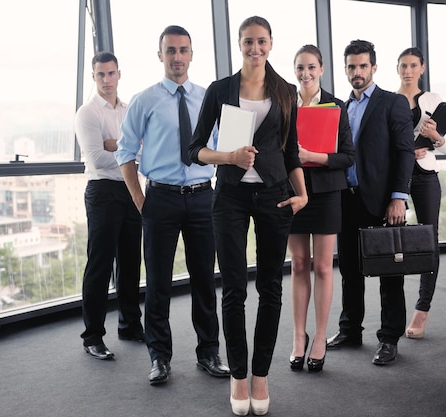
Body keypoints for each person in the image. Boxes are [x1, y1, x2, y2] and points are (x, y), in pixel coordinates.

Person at [189, 16, 308, 416]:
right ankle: (239, 376)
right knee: (236, 288)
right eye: (247, 42)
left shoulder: (286, 91)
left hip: (275, 195)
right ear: (239, 45)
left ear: (271, 44)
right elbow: (195, 150)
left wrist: (302, 193)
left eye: (261, 41)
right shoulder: (220, 90)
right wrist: (229, 157)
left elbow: (291, 152)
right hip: (231, 197)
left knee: (271, 288)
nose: (254, 48)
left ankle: (261, 375)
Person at [115, 25, 229, 385]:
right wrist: (139, 199)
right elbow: (125, 151)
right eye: (170, 50)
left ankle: (208, 352)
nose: (177, 57)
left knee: (204, 280)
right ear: (160, 55)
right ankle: (159, 357)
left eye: (183, 50)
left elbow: (222, 146)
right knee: (159, 282)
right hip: (160, 199)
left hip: (201, 197)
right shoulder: (144, 100)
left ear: (192, 55)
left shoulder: (208, 98)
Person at [326, 40, 414, 366]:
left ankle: (389, 338)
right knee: (350, 269)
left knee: (390, 273)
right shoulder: (339, 108)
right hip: (345, 200)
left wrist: (398, 198)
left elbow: (405, 152)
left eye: (363, 66)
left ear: (374, 67)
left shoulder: (392, 103)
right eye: (351, 67)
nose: (357, 72)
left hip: (382, 202)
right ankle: (350, 330)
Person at [287, 45, 355, 373]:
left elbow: (348, 157)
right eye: (300, 67)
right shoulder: (285, 106)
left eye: (311, 67)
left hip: (327, 194)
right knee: (299, 265)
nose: (306, 73)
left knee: (324, 268)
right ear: (295, 70)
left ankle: (319, 337)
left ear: (322, 68)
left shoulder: (336, 106)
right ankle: (298, 337)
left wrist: (314, 157)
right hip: (293, 191)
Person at [74, 51, 144, 360]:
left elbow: (142, 150)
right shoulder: (87, 113)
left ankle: (129, 324)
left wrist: (116, 145)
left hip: (130, 190)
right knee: (100, 265)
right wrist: (126, 150)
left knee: (130, 262)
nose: (106, 79)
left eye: (111, 73)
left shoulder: (129, 111)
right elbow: (96, 158)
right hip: (102, 192)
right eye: (100, 74)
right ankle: (93, 336)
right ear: (94, 77)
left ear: (118, 74)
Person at [395, 47, 446, 339]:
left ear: (422, 68)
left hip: (426, 174)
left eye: (412, 65)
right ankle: (394, 314)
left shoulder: (433, 100)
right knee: (394, 240)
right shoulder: (389, 100)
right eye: (403, 65)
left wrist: (433, 137)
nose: (407, 70)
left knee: (430, 238)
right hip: (398, 176)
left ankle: (422, 308)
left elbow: (445, 144)